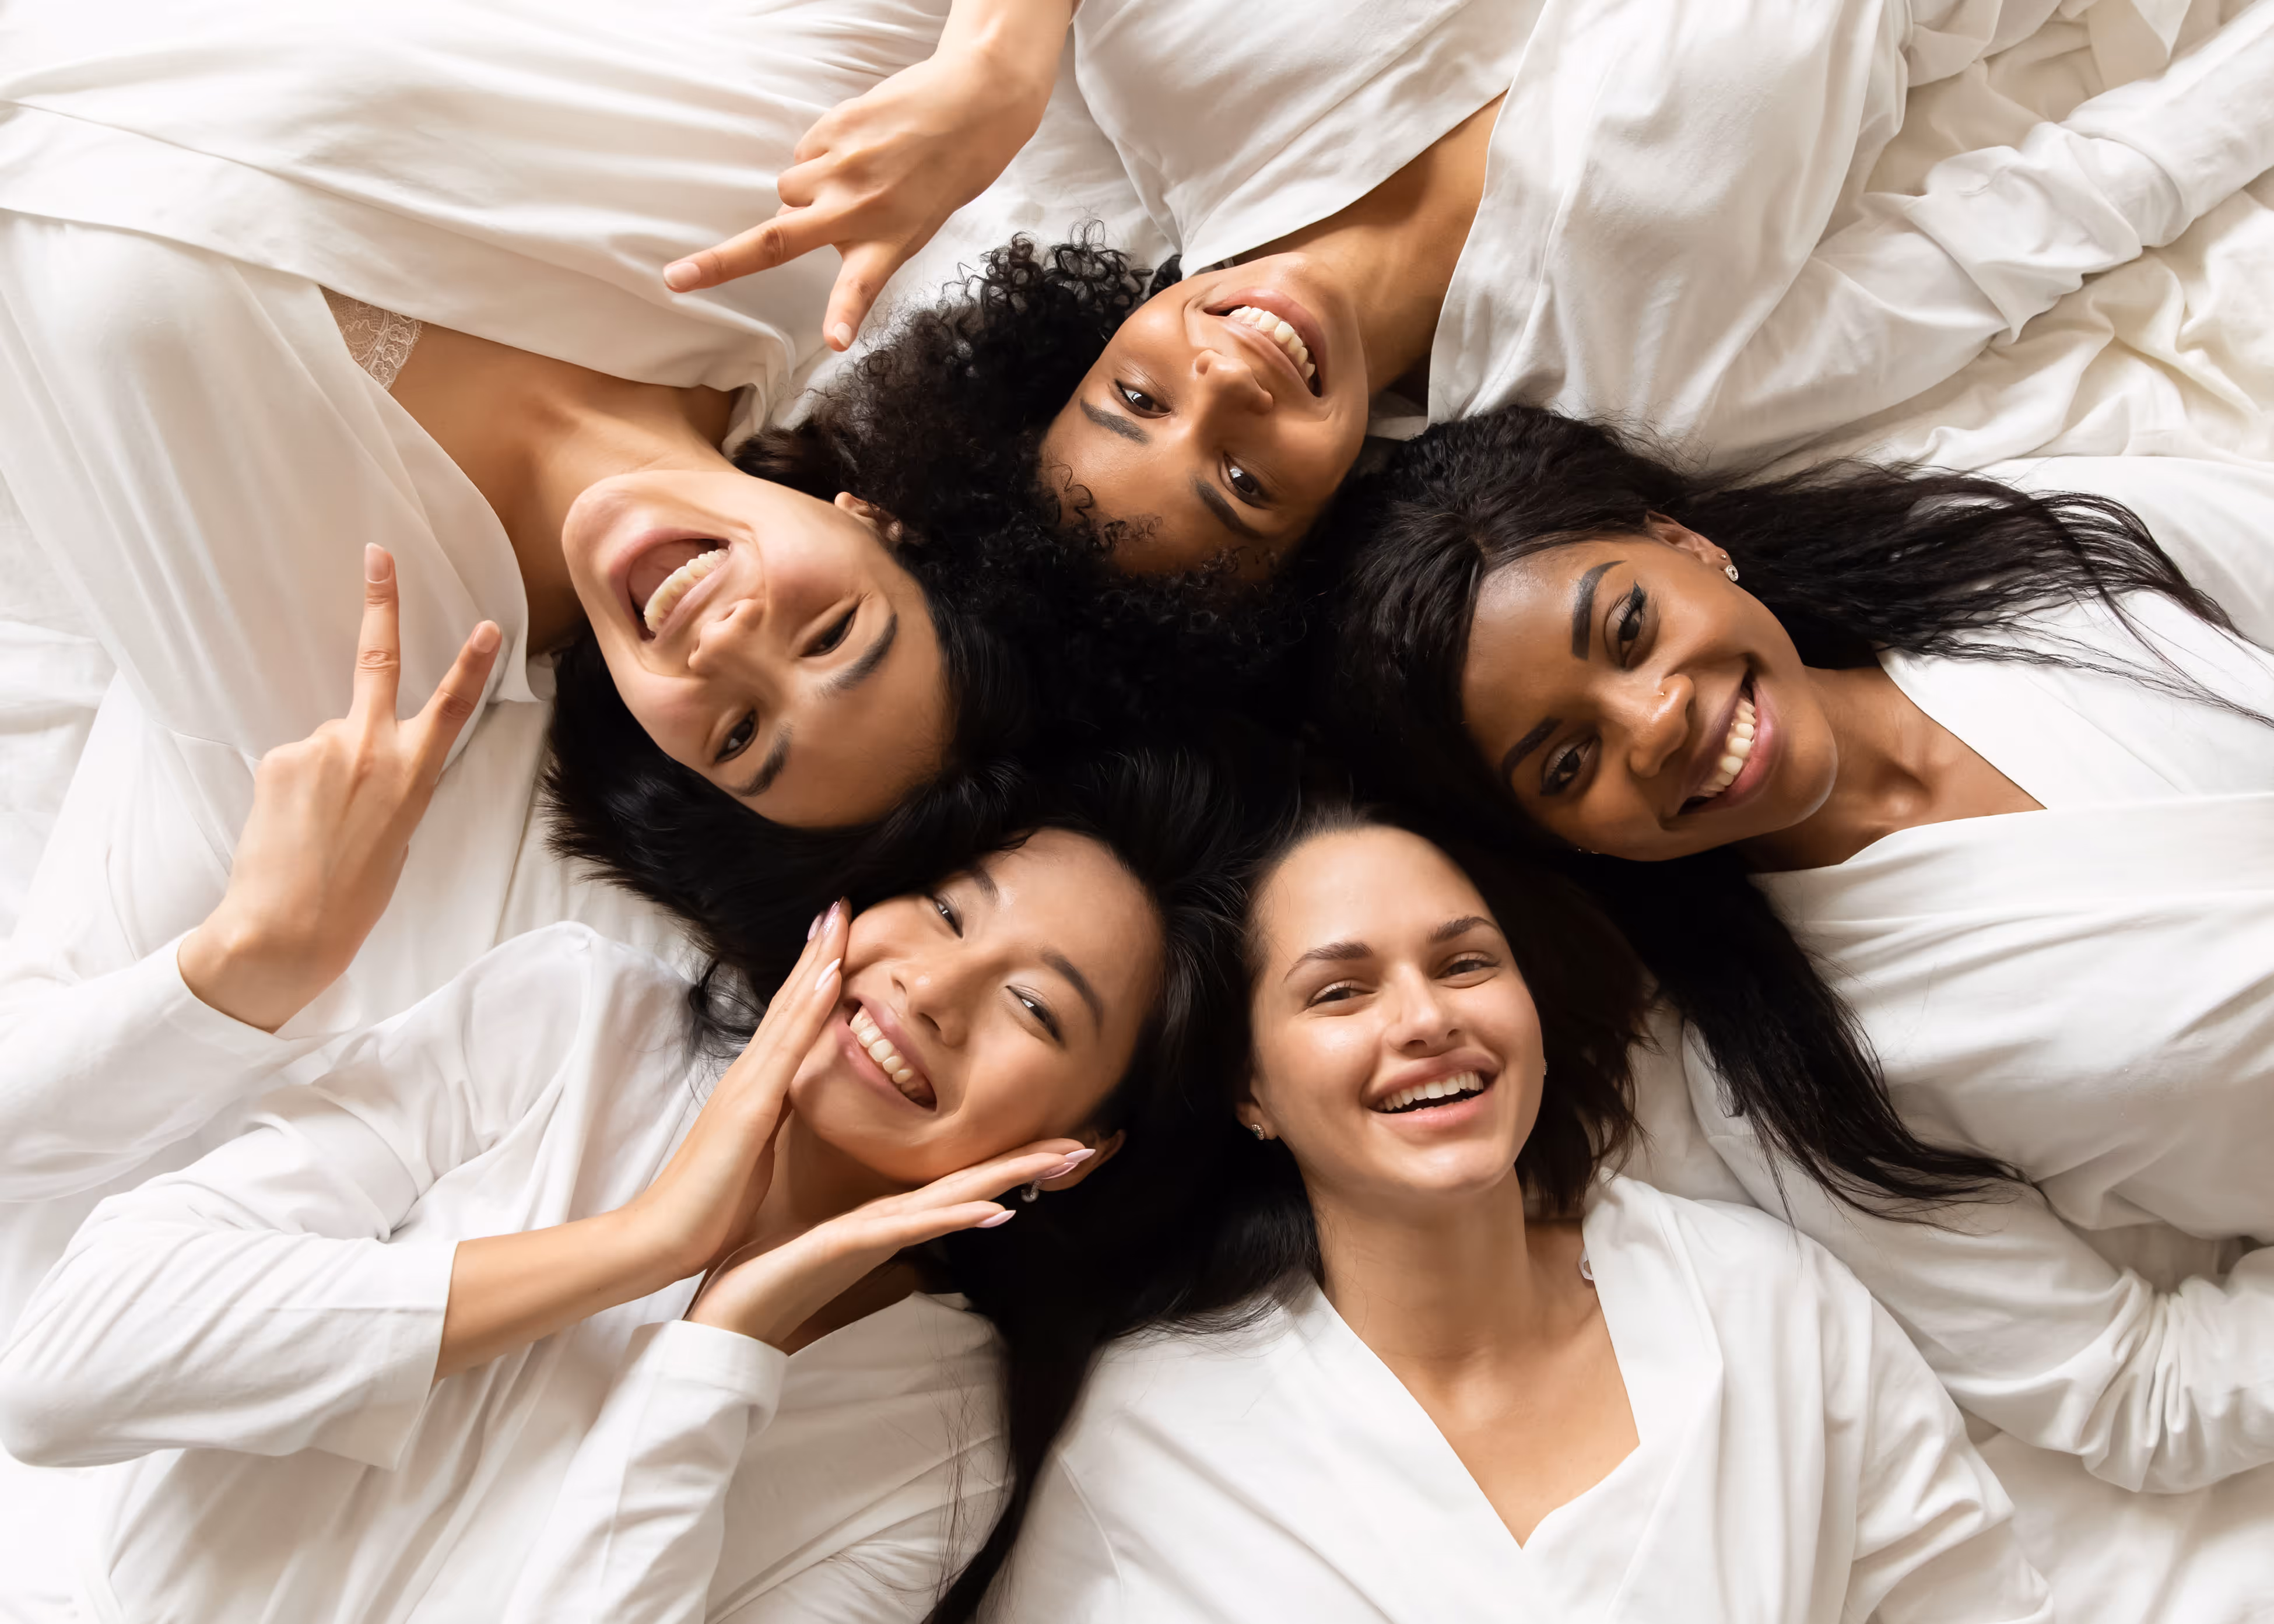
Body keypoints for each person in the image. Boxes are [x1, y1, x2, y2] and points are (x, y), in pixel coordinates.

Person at [0, 0, 1101, 1330]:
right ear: (876, 520)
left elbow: (33, 1152)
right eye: (834, 634)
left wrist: (248, 963)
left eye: (740, 736)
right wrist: (1003, 61)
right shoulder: (798, 210)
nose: (727, 643)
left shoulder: (342, 684)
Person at [0, 728, 1264, 1621]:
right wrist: (642, 1243)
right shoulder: (576, 1020)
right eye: (944, 911)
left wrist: (720, 1352)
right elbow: (62, 1369)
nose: (930, 991)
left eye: (1036, 1009)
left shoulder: (939, 1442)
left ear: (1084, 1148)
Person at [1322, 403, 2274, 1493]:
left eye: (1630, 629)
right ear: (1560, 839)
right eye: (1569, 764)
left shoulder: (2032, 557)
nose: (1655, 723)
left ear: (1686, 542)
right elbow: (2128, 1391)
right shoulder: (1802, 1083)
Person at [728, 0, 2274, 615]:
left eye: (1138, 398)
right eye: (1244, 481)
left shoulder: (1173, 80)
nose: (1230, 384)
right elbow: (2048, 215)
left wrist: (992, 58)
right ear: (1322, 519)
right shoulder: (1642, 386)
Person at [984, 805, 2052, 1621]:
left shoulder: (1764, 1303)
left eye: (1465, 964)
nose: (1426, 1018)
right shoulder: (1157, 1438)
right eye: (1340, 992)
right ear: (1250, 1092)